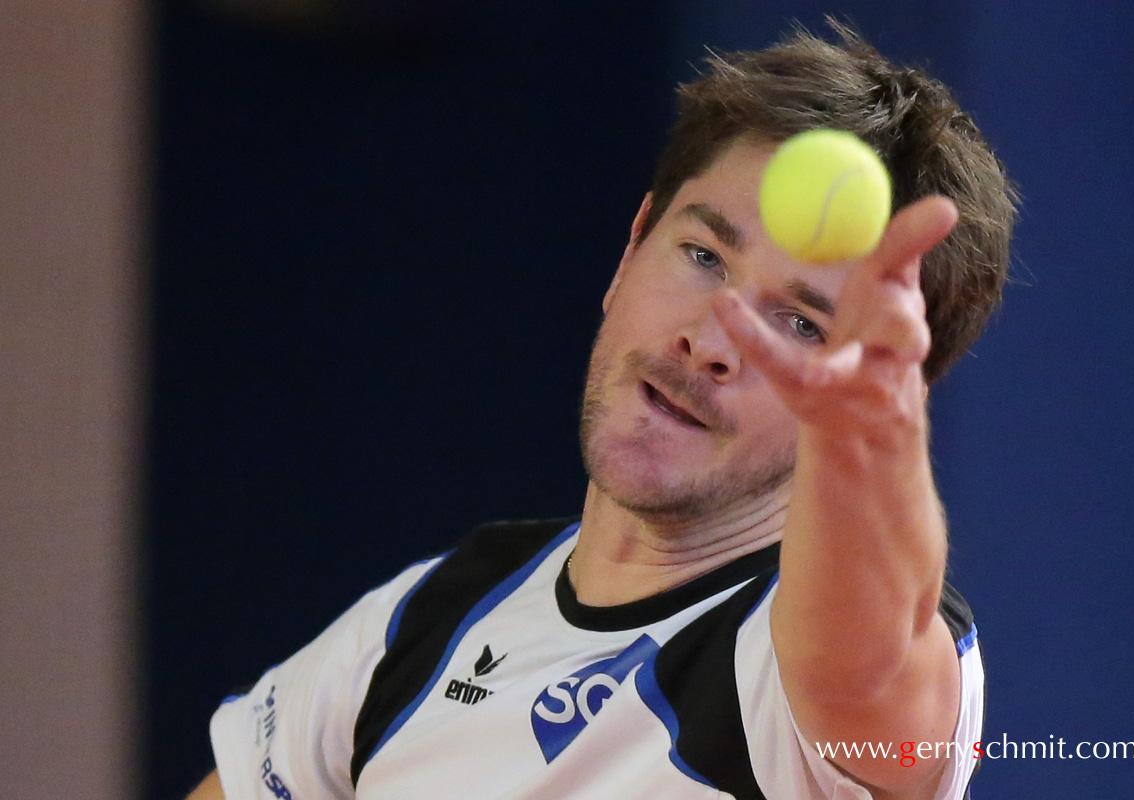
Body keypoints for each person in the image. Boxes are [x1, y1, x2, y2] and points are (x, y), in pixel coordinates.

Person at [187, 21, 1016, 800]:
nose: (713, 338)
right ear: (631, 249)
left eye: (802, 323)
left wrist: (867, 442)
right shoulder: (430, 615)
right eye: (703, 255)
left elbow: (867, 668)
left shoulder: (804, 680)